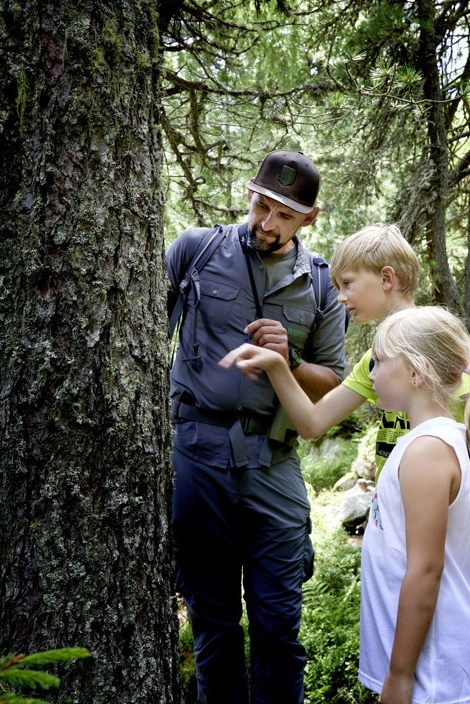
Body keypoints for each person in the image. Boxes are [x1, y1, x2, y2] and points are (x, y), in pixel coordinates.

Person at [221, 306, 470, 704]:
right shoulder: (429, 441)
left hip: (429, 675)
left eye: (379, 361)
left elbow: (426, 571)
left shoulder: (426, 454)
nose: (372, 371)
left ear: (416, 372)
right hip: (422, 669)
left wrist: (400, 676)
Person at [220, 222, 470, 578]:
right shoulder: (375, 360)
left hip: (454, 529)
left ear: (386, 278)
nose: (341, 297)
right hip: (397, 526)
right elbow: (313, 423)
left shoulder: (438, 343)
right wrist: (278, 365)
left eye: (347, 284)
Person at [165, 149, 348, 704]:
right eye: (260, 205)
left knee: (278, 627)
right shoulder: (196, 251)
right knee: (214, 625)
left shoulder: (319, 285)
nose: (266, 223)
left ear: (309, 219)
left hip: (274, 464)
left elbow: (334, 380)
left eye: (283, 215)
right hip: (197, 455)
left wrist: (288, 357)